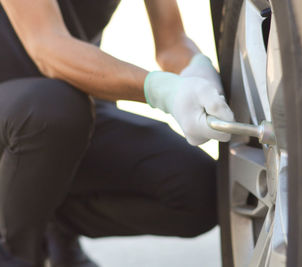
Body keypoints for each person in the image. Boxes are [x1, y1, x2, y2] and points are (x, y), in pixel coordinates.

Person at [0, 0, 234, 266]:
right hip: (24, 109)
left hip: (70, 116)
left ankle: (53, 227)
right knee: (53, 108)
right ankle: (14, 254)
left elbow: (172, 43)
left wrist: (197, 70)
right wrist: (163, 90)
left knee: (201, 191)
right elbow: (47, 47)